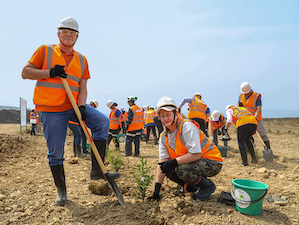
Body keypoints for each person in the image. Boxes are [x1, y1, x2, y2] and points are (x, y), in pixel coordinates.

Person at [22, 17, 117, 206]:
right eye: (64, 32)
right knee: (56, 153)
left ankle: (97, 170)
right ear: (58, 34)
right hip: (52, 110)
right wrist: (50, 72)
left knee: (102, 122)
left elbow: (83, 87)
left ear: (77, 37)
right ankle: (61, 191)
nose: (68, 35)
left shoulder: (82, 59)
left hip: (74, 104)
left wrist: (81, 106)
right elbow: (26, 72)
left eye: (72, 33)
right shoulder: (45, 51)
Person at [148, 97, 223, 201]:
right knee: (167, 168)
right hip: (194, 162)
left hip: (212, 161)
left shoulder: (186, 127)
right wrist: (156, 191)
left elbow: (196, 154)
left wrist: (174, 162)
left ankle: (207, 186)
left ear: (176, 114)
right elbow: (162, 164)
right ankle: (192, 186)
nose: (165, 119)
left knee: (180, 168)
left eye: (168, 114)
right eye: (162, 116)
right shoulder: (163, 137)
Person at [238, 82, 273, 154]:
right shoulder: (241, 95)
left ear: (250, 89)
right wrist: (239, 106)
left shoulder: (256, 96)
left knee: (262, 134)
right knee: (247, 135)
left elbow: (258, 109)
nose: (245, 94)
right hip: (245, 119)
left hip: (256, 118)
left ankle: (268, 150)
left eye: (246, 92)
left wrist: (255, 118)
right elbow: (238, 106)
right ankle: (250, 152)